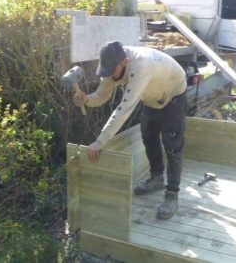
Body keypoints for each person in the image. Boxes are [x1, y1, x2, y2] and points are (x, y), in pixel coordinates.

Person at [73, 41, 186, 219]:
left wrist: (100, 141)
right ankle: (157, 178)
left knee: (172, 144)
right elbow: (102, 94)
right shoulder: (112, 65)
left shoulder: (141, 66)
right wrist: (86, 100)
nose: (109, 75)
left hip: (172, 90)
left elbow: (125, 108)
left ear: (124, 61)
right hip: (151, 93)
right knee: (148, 136)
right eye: (106, 71)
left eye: (112, 71)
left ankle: (172, 194)